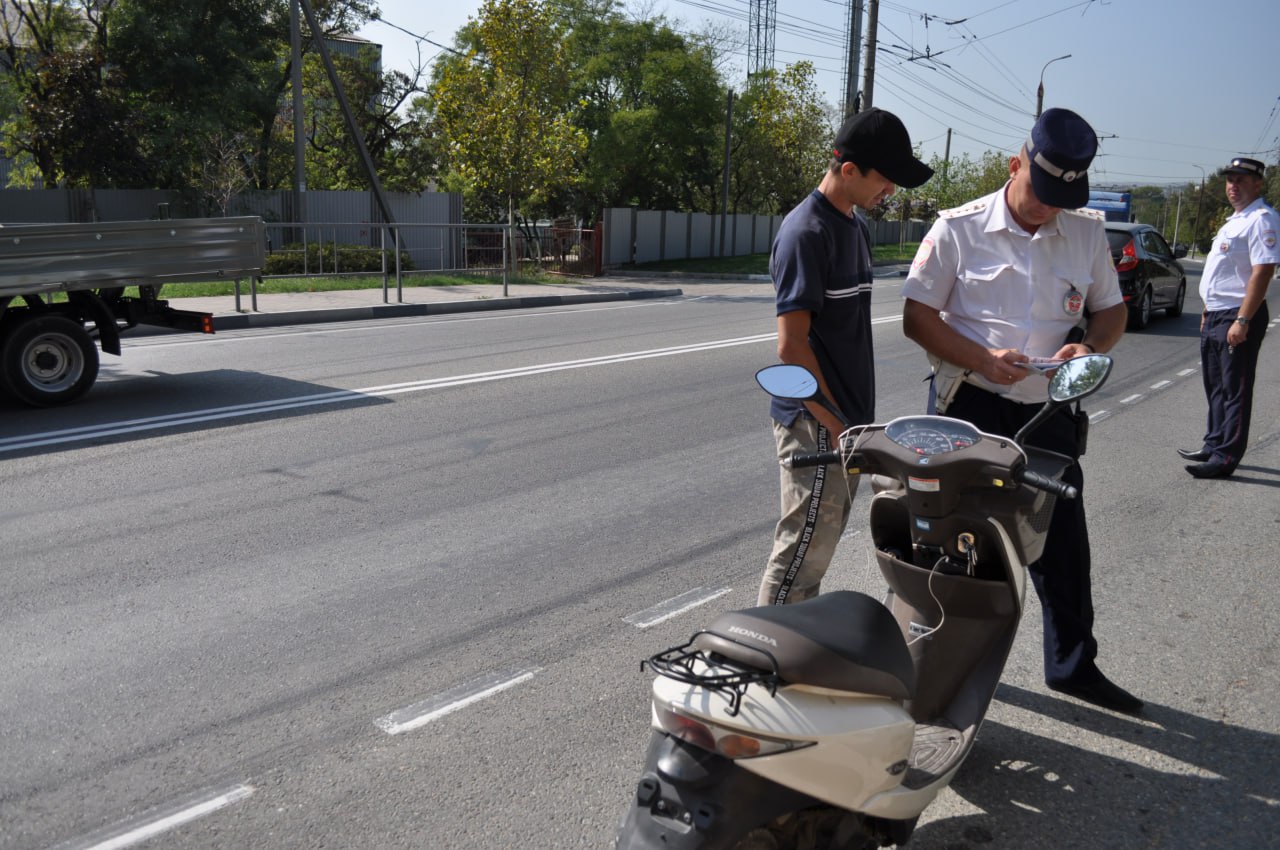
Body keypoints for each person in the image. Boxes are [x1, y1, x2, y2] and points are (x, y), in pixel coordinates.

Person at [901, 107, 1142, 715]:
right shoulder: (958, 228)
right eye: (1040, 193)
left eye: (1061, 199)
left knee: (1062, 543)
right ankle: (938, 661)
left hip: (1047, 408)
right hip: (970, 405)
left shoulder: (1085, 233)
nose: (1046, 209)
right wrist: (982, 358)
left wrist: (1087, 346)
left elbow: (1111, 311)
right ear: (1016, 164)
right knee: (952, 542)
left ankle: (1073, 666)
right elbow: (917, 318)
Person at [758, 108, 933, 606]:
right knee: (800, 554)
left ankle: (794, 653)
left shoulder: (853, 227)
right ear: (849, 169)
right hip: (817, 423)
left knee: (817, 550)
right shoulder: (804, 234)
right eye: (886, 180)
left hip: (846, 422)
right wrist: (837, 426)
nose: (892, 192)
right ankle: (765, 666)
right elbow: (790, 348)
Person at [1178, 156, 1279, 478]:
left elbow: (1263, 271)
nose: (1233, 186)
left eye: (1241, 180)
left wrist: (1244, 320)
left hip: (1238, 315)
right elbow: (1222, 273)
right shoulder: (1234, 219)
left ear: (1257, 184)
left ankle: (1225, 458)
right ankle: (1214, 443)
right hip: (1217, 314)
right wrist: (1207, 310)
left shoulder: (1262, 219)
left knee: (1234, 388)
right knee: (1216, 386)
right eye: (1230, 180)